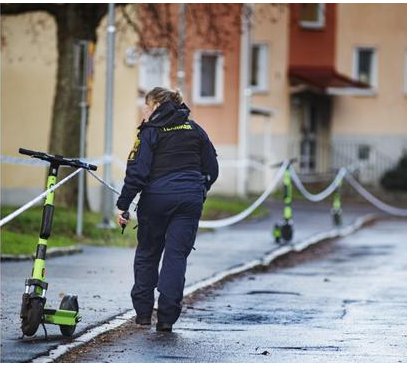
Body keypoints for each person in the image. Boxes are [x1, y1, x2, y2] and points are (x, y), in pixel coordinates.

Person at [116, 87, 219, 332]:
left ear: (155, 107)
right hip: (189, 200)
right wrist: (199, 190)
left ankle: (142, 315)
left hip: (156, 200)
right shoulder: (195, 129)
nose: (144, 110)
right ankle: (166, 319)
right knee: (176, 256)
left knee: (148, 253)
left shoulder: (150, 132)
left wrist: (123, 205)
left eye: (146, 105)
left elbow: (137, 173)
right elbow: (212, 169)